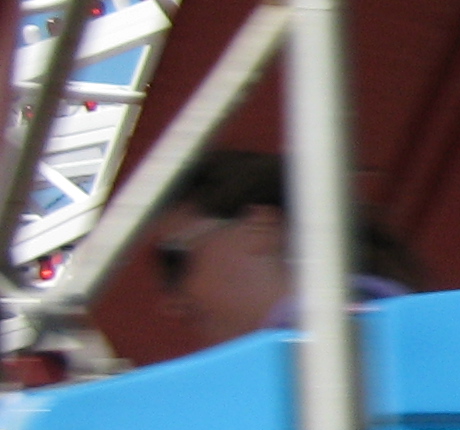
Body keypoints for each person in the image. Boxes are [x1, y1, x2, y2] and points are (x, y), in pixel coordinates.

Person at [147, 147, 426, 349]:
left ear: (260, 228)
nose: (171, 303)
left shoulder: (340, 335)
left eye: (173, 259)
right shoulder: (388, 322)